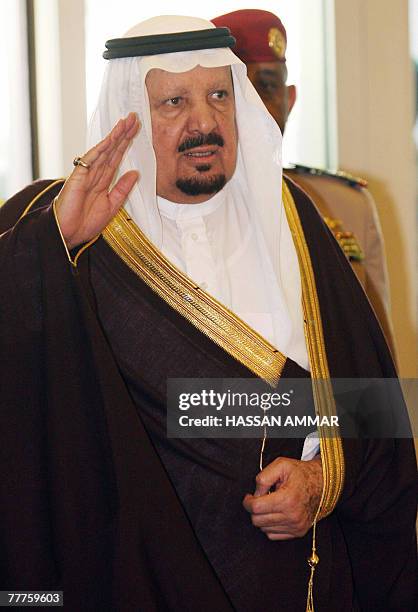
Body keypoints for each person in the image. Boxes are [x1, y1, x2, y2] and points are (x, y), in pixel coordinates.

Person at [0, 15, 416, 612]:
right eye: (173, 101)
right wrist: (51, 246)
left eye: (220, 94)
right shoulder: (61, 225)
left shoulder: (293, 220)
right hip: (130, 582)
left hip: (293, 582)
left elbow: (374, 404)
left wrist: (323, 477)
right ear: (129, 116)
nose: (204, 122)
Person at [212, 9, 397, 362]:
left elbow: (379, 361)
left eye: (266, 87)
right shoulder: (175, 210)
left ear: (289, 100)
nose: (254, 108)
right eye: (236, 90)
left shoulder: (346, 206)